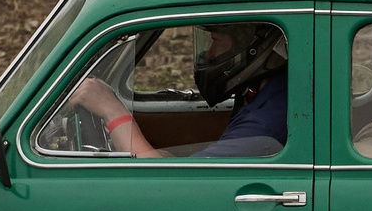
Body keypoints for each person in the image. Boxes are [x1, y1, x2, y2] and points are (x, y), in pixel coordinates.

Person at [69, 22, 288, 158]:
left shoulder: (263, 126)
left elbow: (164, 186)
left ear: (248, 47)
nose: (208, 53)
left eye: (215, 41)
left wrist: (111, 111)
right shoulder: (266, 94)